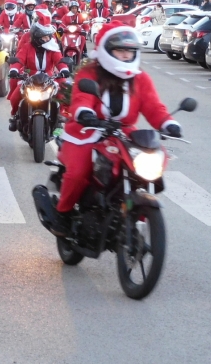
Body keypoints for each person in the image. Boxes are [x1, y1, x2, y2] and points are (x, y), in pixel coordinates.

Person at [51, 22, 181, 235]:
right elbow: (82, 98)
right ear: (107, 50)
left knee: (146, 166)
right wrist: (85, 113)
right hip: (88, 131)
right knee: (78, 172)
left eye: (130, 51)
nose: (125, 55)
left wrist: (169, 123)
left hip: (124, 133)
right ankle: (62, 214)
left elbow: (153, 106)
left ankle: (130, 209)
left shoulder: (140, 78)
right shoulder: (90, 73)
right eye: (120, 50)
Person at [7, 19, 70, 131]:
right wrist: (14, 70)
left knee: (62, 94)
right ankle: (15, 116)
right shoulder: (26, 47)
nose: (49, 39)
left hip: (49, 77)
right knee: (15, 97)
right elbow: (18, 60)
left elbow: (60, 61)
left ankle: (59, 115)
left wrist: (64, 70)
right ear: (37, 37)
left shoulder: (53, 48)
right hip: (29, 78)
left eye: (49, 36)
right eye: (45, 37)